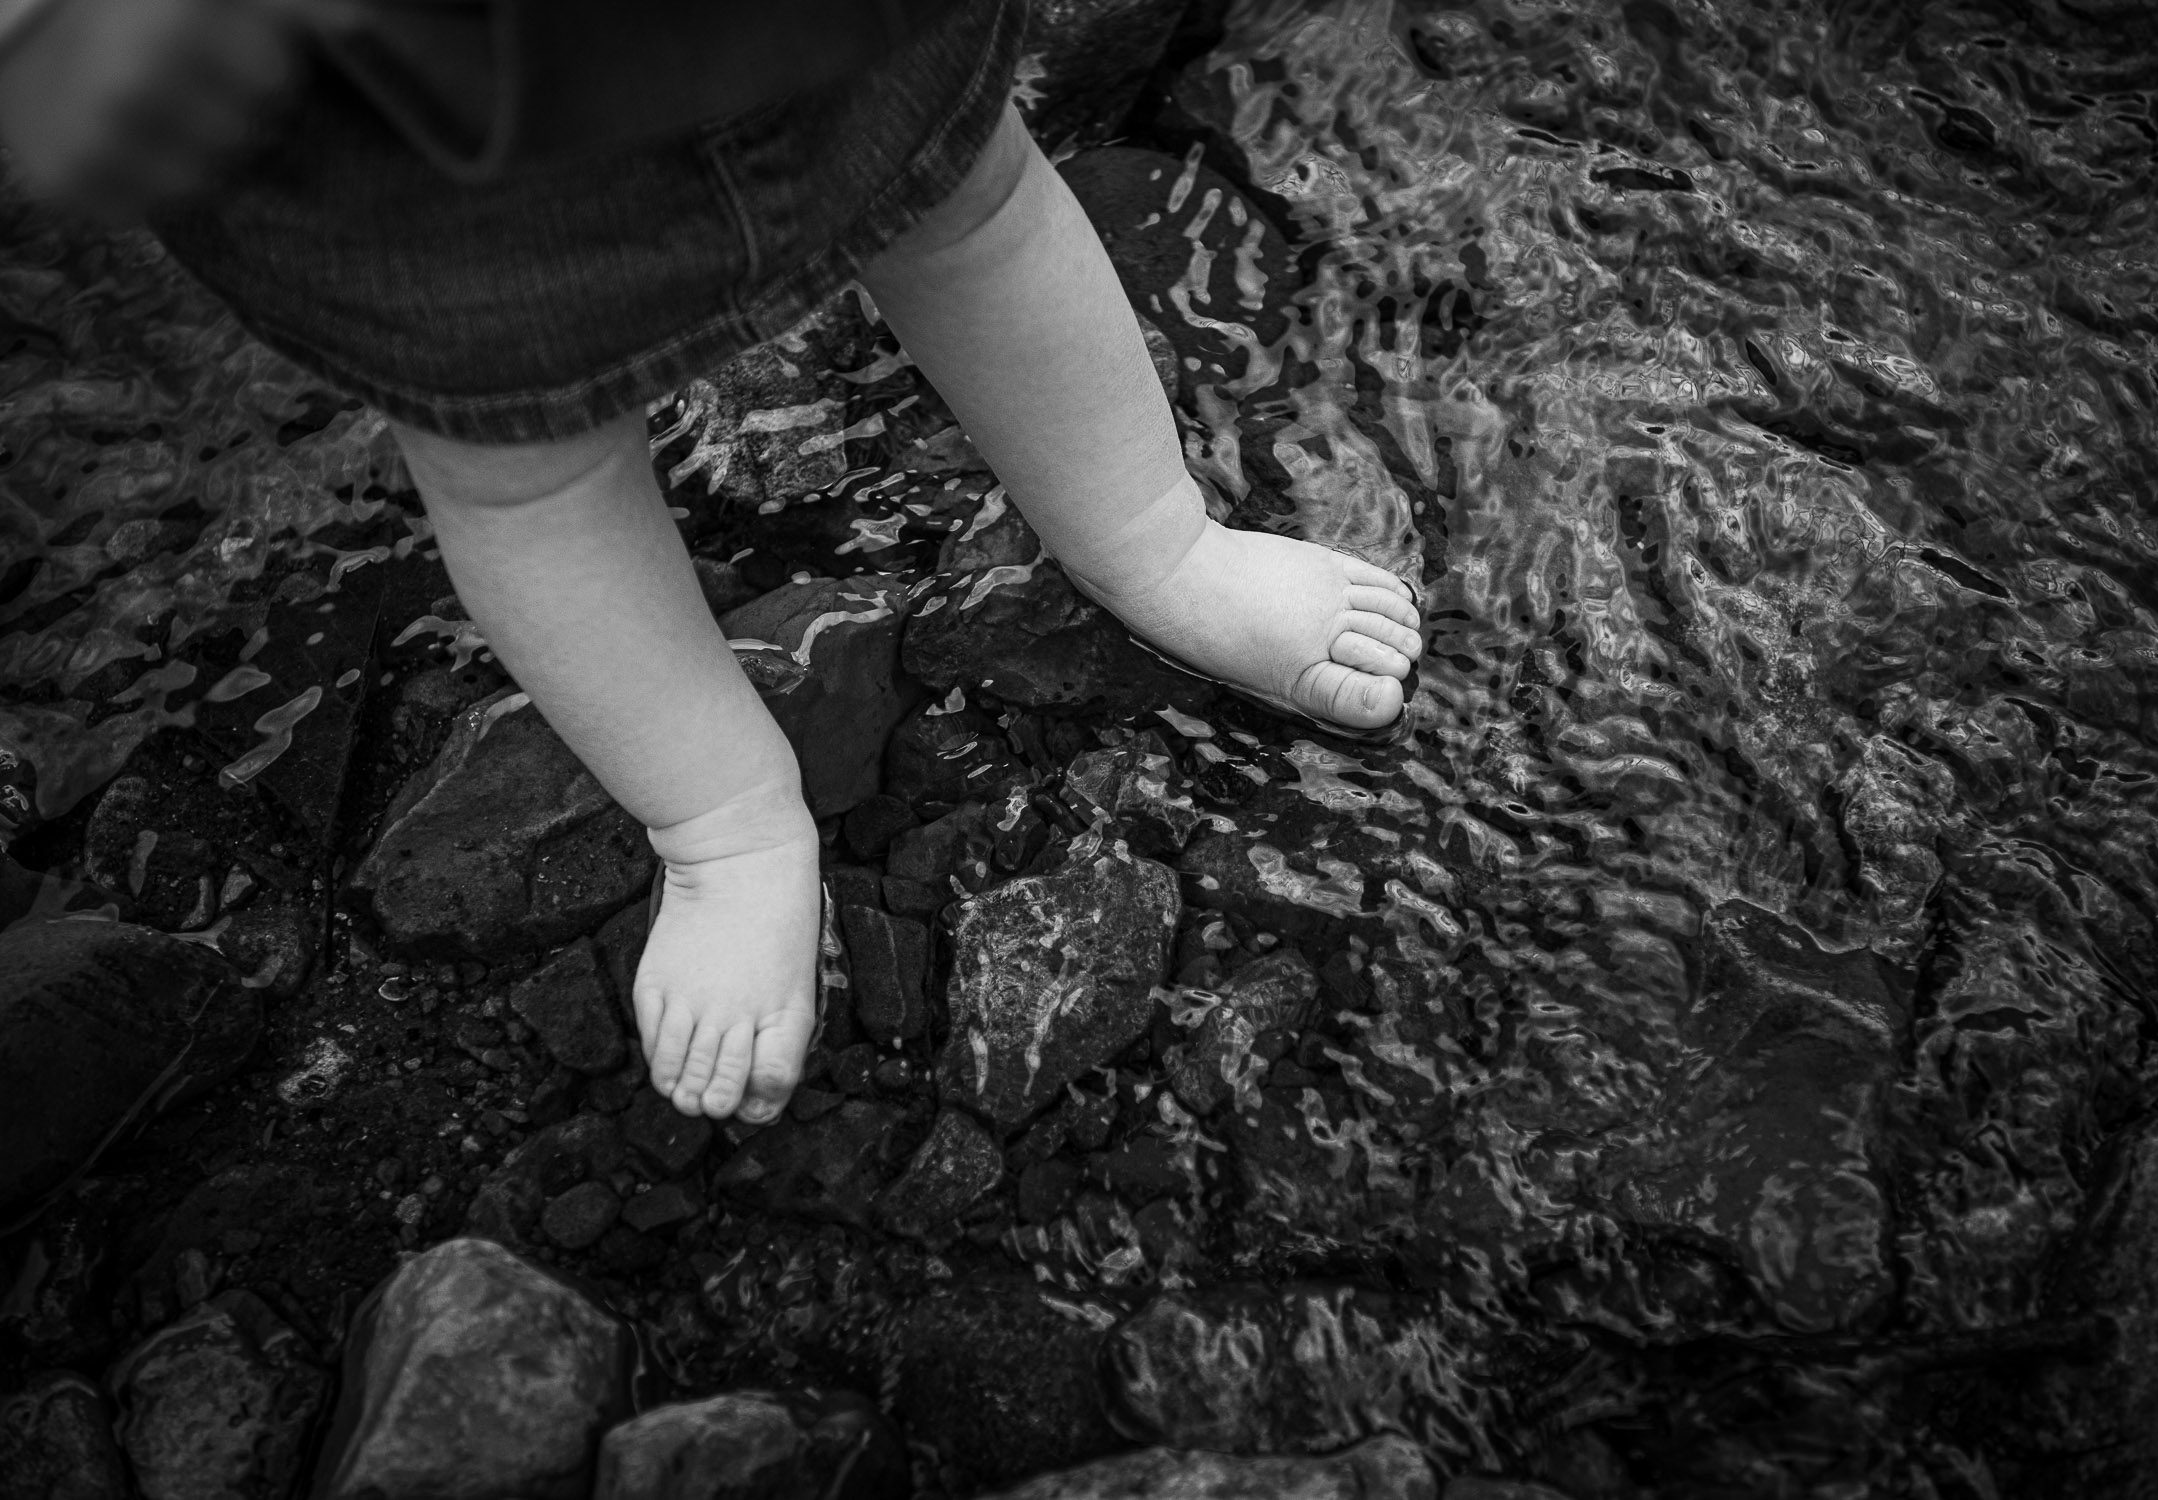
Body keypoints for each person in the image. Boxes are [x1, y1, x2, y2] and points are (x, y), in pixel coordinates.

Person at [0, 0, 1422, 1126]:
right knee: (530, 464)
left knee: (966, 192)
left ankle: (1153, 543)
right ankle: (725, 824)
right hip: (394, 138)